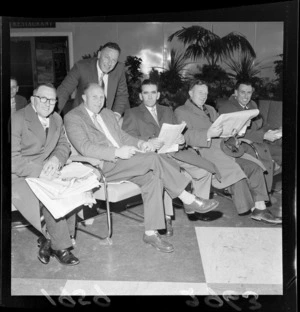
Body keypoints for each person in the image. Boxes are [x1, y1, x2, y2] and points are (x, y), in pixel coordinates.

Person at [64, 83, 219, 253]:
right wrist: (116, 151)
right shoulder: (73, 117)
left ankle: (150, 233)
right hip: (103, 165)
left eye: (102, 97)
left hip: (124, 162)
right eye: (94, 97)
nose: (99, 101)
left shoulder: (106, 114)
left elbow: (122, 136)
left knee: (153, 179)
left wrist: (141, 143)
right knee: (154, 158)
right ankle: (187, 198)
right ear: (84, 97)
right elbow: (85, 147)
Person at [175, 80, 281, 224]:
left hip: (225, 148)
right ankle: (251, 207)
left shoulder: (210, 109)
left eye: (206, 93)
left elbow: (222, 128)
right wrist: (208, 133)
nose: (204, 96)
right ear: (190, 93)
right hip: (205, 151)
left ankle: (259, 209)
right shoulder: (181, 111)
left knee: (254, 167)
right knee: (236, 172)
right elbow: (184, 137)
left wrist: (234, 131)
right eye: (200, 93)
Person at [122, 79, 221, 223]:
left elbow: (177, 132)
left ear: (158, 95)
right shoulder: (132, 113)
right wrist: (147, 141)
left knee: (204, 172)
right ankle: (166, 217)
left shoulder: (167, 110)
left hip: (174, 152)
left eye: (153, 93)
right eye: (146, 93)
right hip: (153, 156)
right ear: (140, 96)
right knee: (167, 173)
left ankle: (195, 207)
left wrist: (181, 140)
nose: (150, 96)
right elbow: (127, 138)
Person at [12, 83, 79, 266]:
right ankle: (61, 247)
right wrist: (40, 171)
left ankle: (49, 241)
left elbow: (63, 145)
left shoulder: (57, 118)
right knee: (50, 195)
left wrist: (56, 160)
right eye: (43, 98)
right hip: (20, 174)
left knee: (71, 187)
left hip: (48, 170)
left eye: (52, 100)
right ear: (33, 99)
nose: (48, 103)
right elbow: (12, 159)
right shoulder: (17, 119)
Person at [218, 79, 282, 193]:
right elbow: (236, 134)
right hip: (240, 144)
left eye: (249, 92)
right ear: (236, 93)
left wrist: (275, 130)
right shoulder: (227, 108)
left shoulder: (252, 104)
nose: (246, 96)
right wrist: (264, 136)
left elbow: (260, 124)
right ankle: (262, 191)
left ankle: (268, 185)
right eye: (242, 92)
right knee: (276, 155)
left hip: (257, 140)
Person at [57, 42, 129, 120]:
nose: (109, 63)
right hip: (81, 118)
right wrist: (53, 115)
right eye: (107, 57)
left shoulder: (119, 69)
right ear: (99, 54)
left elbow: (122, 95)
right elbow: (64, 90)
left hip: (106, 119)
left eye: (114, 60)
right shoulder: (81, 67)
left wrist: (116, 115)